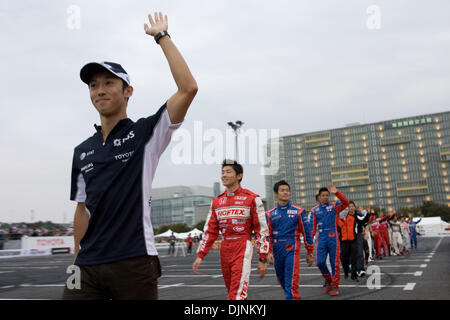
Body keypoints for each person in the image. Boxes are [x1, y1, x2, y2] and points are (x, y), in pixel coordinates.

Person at [64, 12, 198, 300]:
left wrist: (162, 37)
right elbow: (81, 210)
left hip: (135, 260)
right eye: (93, 85)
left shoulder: (145, 133)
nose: (100, 90)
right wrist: (76, 258)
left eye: (109, 83)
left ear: (128, 91)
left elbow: (188, 89)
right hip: (86, 266)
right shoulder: (81, 151)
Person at [192, 160, 269, 300]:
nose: (224, 176)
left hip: (242, 246)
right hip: (225, 248)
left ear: (239, 176)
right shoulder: (216, 201)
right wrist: (200, 255)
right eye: (222, 172)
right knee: (232, 292)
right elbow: (210, 231)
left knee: (237, 295)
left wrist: (262, 257)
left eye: (228, 172)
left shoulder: (252, 198)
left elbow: (261, 230)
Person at [266, 180, 314, 300]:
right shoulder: (269, 214)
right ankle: (293, 296)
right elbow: (267, 235)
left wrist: (309, 252)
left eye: (287, 190)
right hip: (277, 249)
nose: (285, 192)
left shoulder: (299, 211)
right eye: (282, 190)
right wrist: (268, 252)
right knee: (281, 279)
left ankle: (292, 296)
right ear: (276, 194)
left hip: (292, 247)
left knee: (291, 280)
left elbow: (307, 232)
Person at [311, 184, 349, 296]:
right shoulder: (314, 210)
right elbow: (312, 228)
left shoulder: (334, 206)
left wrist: (336, 192)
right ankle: (328, 280)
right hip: (321, 238)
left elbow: (346, 203)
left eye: (327, 195)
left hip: (333, 236)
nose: (326, 197)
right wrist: (309, 242)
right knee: (320, 262)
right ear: (319, 197)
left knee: (334, 263)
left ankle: (335, 285)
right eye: (323, 195)